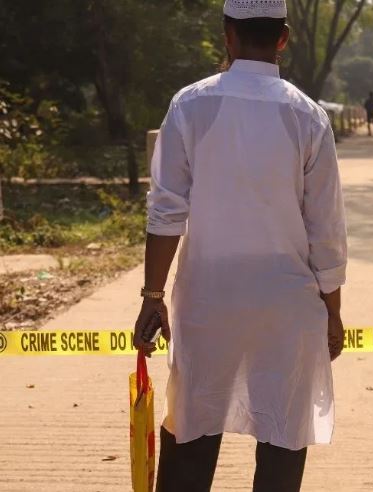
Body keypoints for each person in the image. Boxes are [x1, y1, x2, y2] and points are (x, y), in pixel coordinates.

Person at [133, 0, 348, 489]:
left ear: (227, 35)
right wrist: (332, 312)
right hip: (287, 308)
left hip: (208, 304)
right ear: (283, 37)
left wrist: (152, 296)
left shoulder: (190, 105)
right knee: (283, 439)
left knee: (191, 431)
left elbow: (165, 211)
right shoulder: (309, 117)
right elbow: (326, 229)